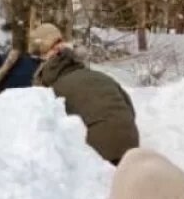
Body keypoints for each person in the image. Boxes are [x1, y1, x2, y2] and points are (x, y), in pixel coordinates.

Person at [28, 23, 140, 165]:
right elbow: (129, 109)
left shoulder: (51, 91)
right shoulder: (100, 76)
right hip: (132, 146)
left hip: (100, 156)